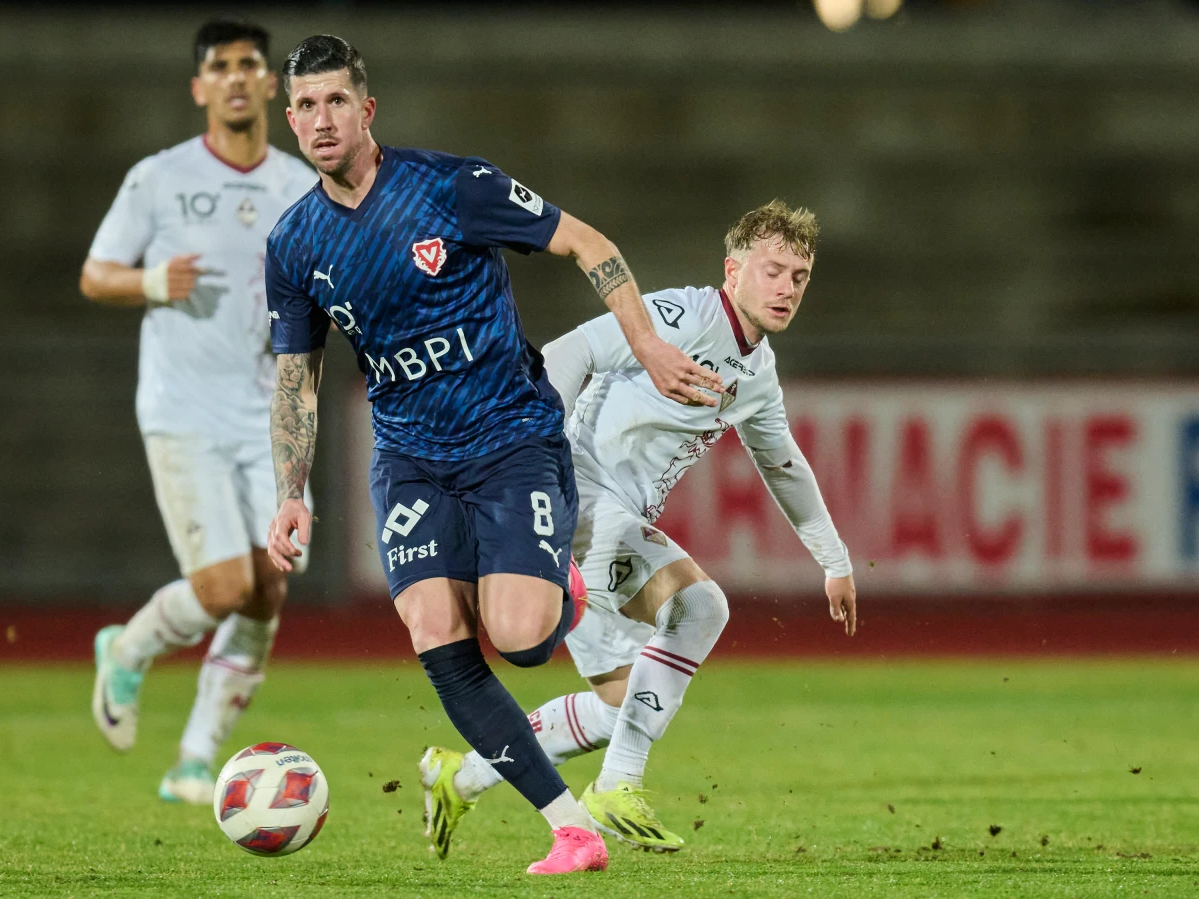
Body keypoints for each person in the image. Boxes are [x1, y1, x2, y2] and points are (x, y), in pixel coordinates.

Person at [262, 35, 723, 875]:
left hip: (512, 440)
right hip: (409, 458)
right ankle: (570, 828)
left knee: (519, 638)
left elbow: (587, 242)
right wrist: (291, 488)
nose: (321, 119)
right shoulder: (295, 245)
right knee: (435, 631)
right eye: (304, 106)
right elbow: (297, 376)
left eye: (336, 101)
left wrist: (648, 346)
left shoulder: (453, 186)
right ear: (288, 119)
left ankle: (560, 593)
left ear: (367, 111)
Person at [423, 200, 859, 853]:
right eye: (773, 270)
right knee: (696, 611)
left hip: (612, 514)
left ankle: (464, 774)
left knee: (623, 699)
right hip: (580, 502)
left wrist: (835, 558)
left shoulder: (758, 372)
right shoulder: (681, 315)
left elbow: (783, 463)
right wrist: (540, 465)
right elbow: (569, 353)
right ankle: (616, 785)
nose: (787, 287)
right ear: (732, 269)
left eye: (800, 275)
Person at [82, 20, 319, 805]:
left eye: (250, 64)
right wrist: (152, 283)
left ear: (271, 85)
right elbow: (95, 274)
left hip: (268, 416)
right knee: (221, 588)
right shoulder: (159, 177)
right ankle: (130, 646)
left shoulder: (299, 188)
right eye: (220, 67)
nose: (237, 78)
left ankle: (194, 755)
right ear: (200, 88)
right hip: (182, 409)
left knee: (269, 585)